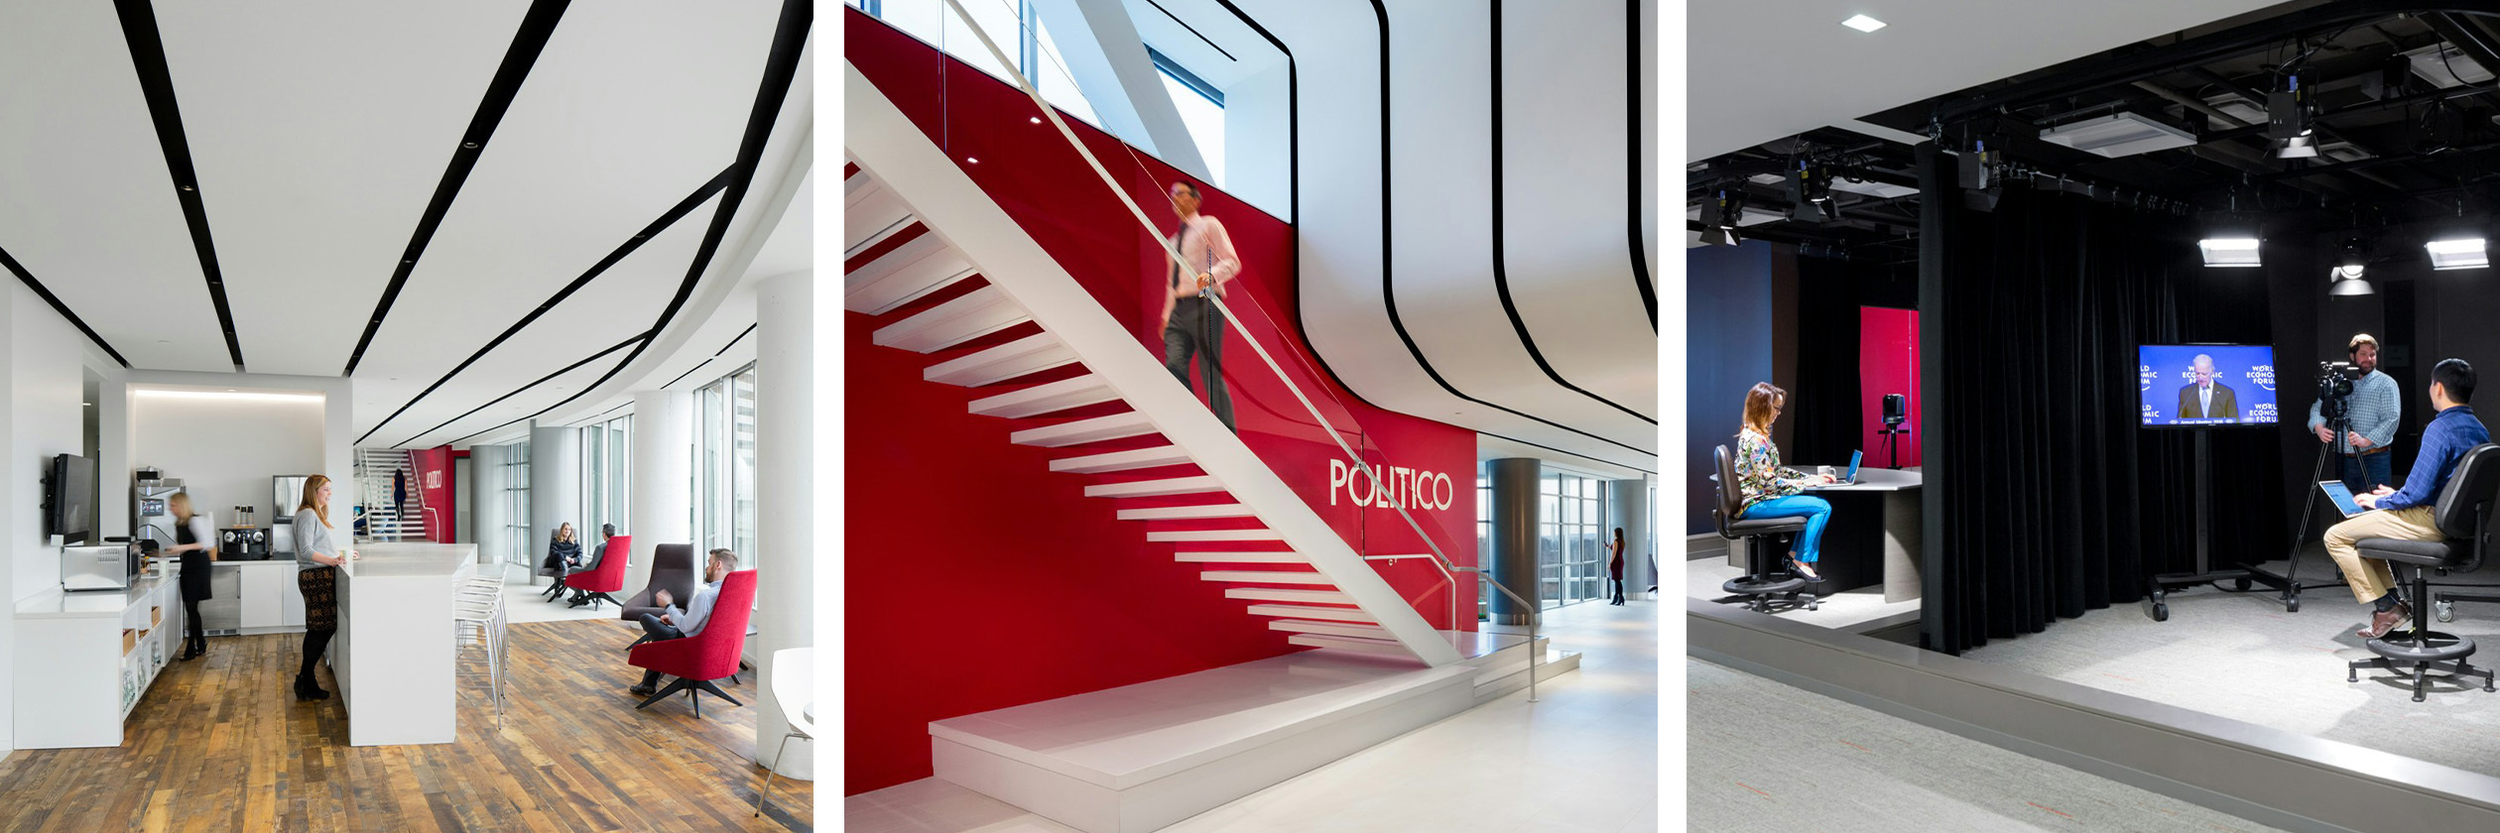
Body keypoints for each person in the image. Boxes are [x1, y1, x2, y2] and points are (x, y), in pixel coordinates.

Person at [2325, 359, 2487, 639]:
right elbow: (2439, 485)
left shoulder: (2440, 429)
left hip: (2429, 521)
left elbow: (2417, 493)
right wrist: (2395, 496)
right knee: (2363, 536)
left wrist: (2378, 501)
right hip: (2455, 523)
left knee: (2336, 537)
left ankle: (2388, 607)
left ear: (2437, 389)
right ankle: (2392, 606)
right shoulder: (2478, 429)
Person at [1157, 180, 1242, 432]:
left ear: (1195, 199)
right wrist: (1165, 315)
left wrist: (1212, 274)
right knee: (1173, 364)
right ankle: (1197, 425)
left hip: (1206, 303)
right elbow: (1171, 283)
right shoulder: (1172, 241)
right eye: (1171, 193)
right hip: (1179, 310)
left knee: (1209, 372)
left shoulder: (1209, 225)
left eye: (1179, 193)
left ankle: (1227, 433)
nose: (1174, 197)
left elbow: (1232, 261)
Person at [1734, 382, 1836, 581]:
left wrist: (1809, 479)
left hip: (1759, 499)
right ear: (1763, 407)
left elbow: (1777, 470)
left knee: (1815, 506)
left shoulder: (1756, 435)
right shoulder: (1755, 440)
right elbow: (1770, 483)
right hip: (1756, 503)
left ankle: (1794, 558)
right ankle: (1800, 561)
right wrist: (1806, 485)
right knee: (1821, 508)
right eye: (1777, 408)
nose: (1779, 413)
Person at [628, 549, 740, 696]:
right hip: (714, 650)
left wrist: (668, 605)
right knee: (661, 632)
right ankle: (648, 684)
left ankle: (648, 684)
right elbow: (704, 623)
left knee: (646, 618)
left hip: (690, 646)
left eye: (709, 563)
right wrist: (675, 619)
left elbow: (686, 627)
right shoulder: (734, 594)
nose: (706, 568)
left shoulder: (706, 596)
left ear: (717, 565)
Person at [2309, 333, 2402, 495]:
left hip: (2374, 459)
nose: (2369, 359)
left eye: (2372, 355)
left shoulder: (2386, 383)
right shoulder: (2339, 382)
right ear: (2353, 356)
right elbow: (2318, 407)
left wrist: (2366, 440)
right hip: (2344, 460)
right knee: (2348, 509)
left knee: (2374, 510)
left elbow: (2392, 418)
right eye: (2363, 354)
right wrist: (2318, 427)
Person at [291, 475, 355, 701]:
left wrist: (338, 556)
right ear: (314, 491)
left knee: (319, 628)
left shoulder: (313, 514)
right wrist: (332, 561)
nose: (330, 493)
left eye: (330, 489)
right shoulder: (308, 514)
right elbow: (307, 550)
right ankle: (305, 680)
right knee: (321, 628)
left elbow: (318, 547)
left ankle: (305, 681)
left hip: (317, 575)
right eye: (326, 489)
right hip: (315, 576)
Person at [167, 493, 218, 661]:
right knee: (191, 608)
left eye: (173, 505)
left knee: (191, 607)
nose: (170, 508)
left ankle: (191, 648)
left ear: (182, 505)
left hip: (198, 567)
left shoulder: (195, 521)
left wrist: (181, 548)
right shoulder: (179, 523)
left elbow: (208, 543)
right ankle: (200, 643)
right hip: (189, 566)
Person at [2176, 353, 2240, 421]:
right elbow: (2180, 420)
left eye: (2204, 374)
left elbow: (2234, 421)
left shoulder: (2227, 393)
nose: (2200, 377)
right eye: (2197, 373)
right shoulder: (2186, 393)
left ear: (2212, 372)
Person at [568, 523, 617, 607]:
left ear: (604, 534)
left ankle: (579, 593)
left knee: (572, 570)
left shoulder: (600, 548)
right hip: (613, 578)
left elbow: (590, 569)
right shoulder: (618, 545)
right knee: (579, 571)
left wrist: (587, 566)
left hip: (598, 578)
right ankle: (578, 595)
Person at [540, 522, 582, 602]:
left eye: (569, 529)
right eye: (565, 529)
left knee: (579, 564)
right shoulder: (555, 540)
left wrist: (575, 560)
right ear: (562, 530)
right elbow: (552, 552)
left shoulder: (574, 541)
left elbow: (580, 553)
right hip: (556, 559)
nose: (567, 531)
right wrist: (565, 557)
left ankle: (579, 591)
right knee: (558, 555)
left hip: (568, 563)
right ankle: (566, 575)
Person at [1606, 527, 1627, 605]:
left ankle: (1620, 598)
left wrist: (1610, 563)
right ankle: (1618, 598)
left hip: (1616, 562)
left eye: (1614, 532)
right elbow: (1616, 550)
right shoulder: (1622, 541)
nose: (1613, 533)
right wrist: (1608, 546)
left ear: (1616, 533)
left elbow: (1614, 553)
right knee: (1617, 580)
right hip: (1620, 561)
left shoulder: (1615, 541)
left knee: (1617, 581)